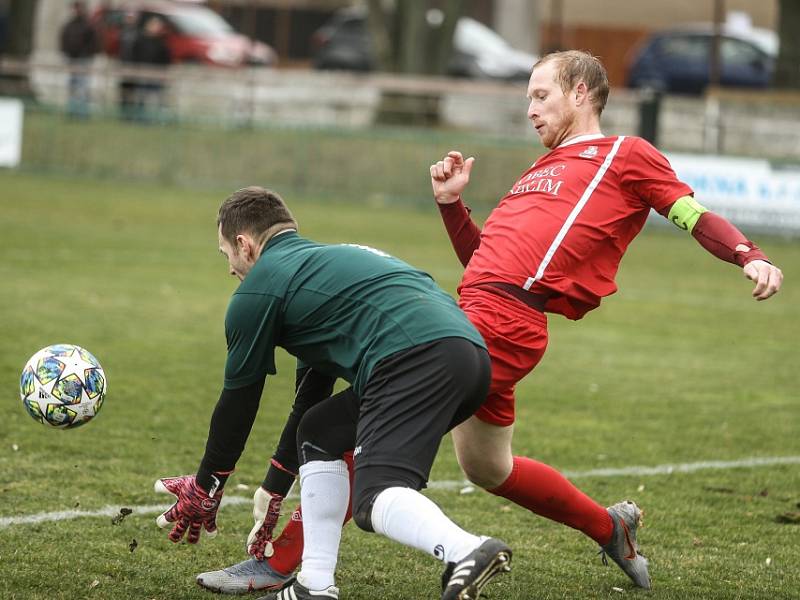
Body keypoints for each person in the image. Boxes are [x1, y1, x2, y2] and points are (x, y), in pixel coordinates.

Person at [198, 50, 784, 595]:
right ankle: (607, 526)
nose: (530, 109)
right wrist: (454, 207)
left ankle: (285, 565)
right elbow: (486, 266)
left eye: (540, 95)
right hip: (482, 309)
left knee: (356, 422)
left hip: (502, 322)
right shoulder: (544, 168)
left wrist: (747, 254)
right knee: (487, 466)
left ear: (581, 92)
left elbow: (689, 211)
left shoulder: (624, 154)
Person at [155, 186, 512, 600]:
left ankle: (468, 549)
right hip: (469, 356)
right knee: (320, 431)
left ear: (244, 245)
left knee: (374, 496)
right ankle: (314, 585)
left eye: (227, 255)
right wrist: (274, 488)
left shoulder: (258, 292)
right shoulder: (318, 273)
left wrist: (206, 486)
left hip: (414, 359)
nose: (231, 269)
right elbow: (310, 401)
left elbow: (239, 401)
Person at [59, 1, 99, 119]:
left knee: (82, 87)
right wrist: (66, 53)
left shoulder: (88, 25)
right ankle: (72, 112)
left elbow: (94, 43)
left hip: (83, 60)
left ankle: (82, 113)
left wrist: (86, 54)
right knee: (72, 86)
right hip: (72, 59)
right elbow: (63, 40)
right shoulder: (69, 25)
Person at [131, 16, 171, 121]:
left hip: (157, 74)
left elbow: (167, 59)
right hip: (142, 72)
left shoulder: (162, 42)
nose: (155, 28)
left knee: (159, 98)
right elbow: (135, 55)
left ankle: (160, 119)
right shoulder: (140, 40)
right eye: (153, 25)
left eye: (157, 25)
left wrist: (163, 73)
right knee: (141, 97)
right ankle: (140, 118)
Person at [117, 10, 140, 121]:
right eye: (128, 17)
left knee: (133, 92)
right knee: (123, 91)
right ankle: (123, 115)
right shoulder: (122, 32)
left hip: (134, 67)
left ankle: (131, 115)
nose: (129, 19)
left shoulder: (138, 33)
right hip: (123, 66)